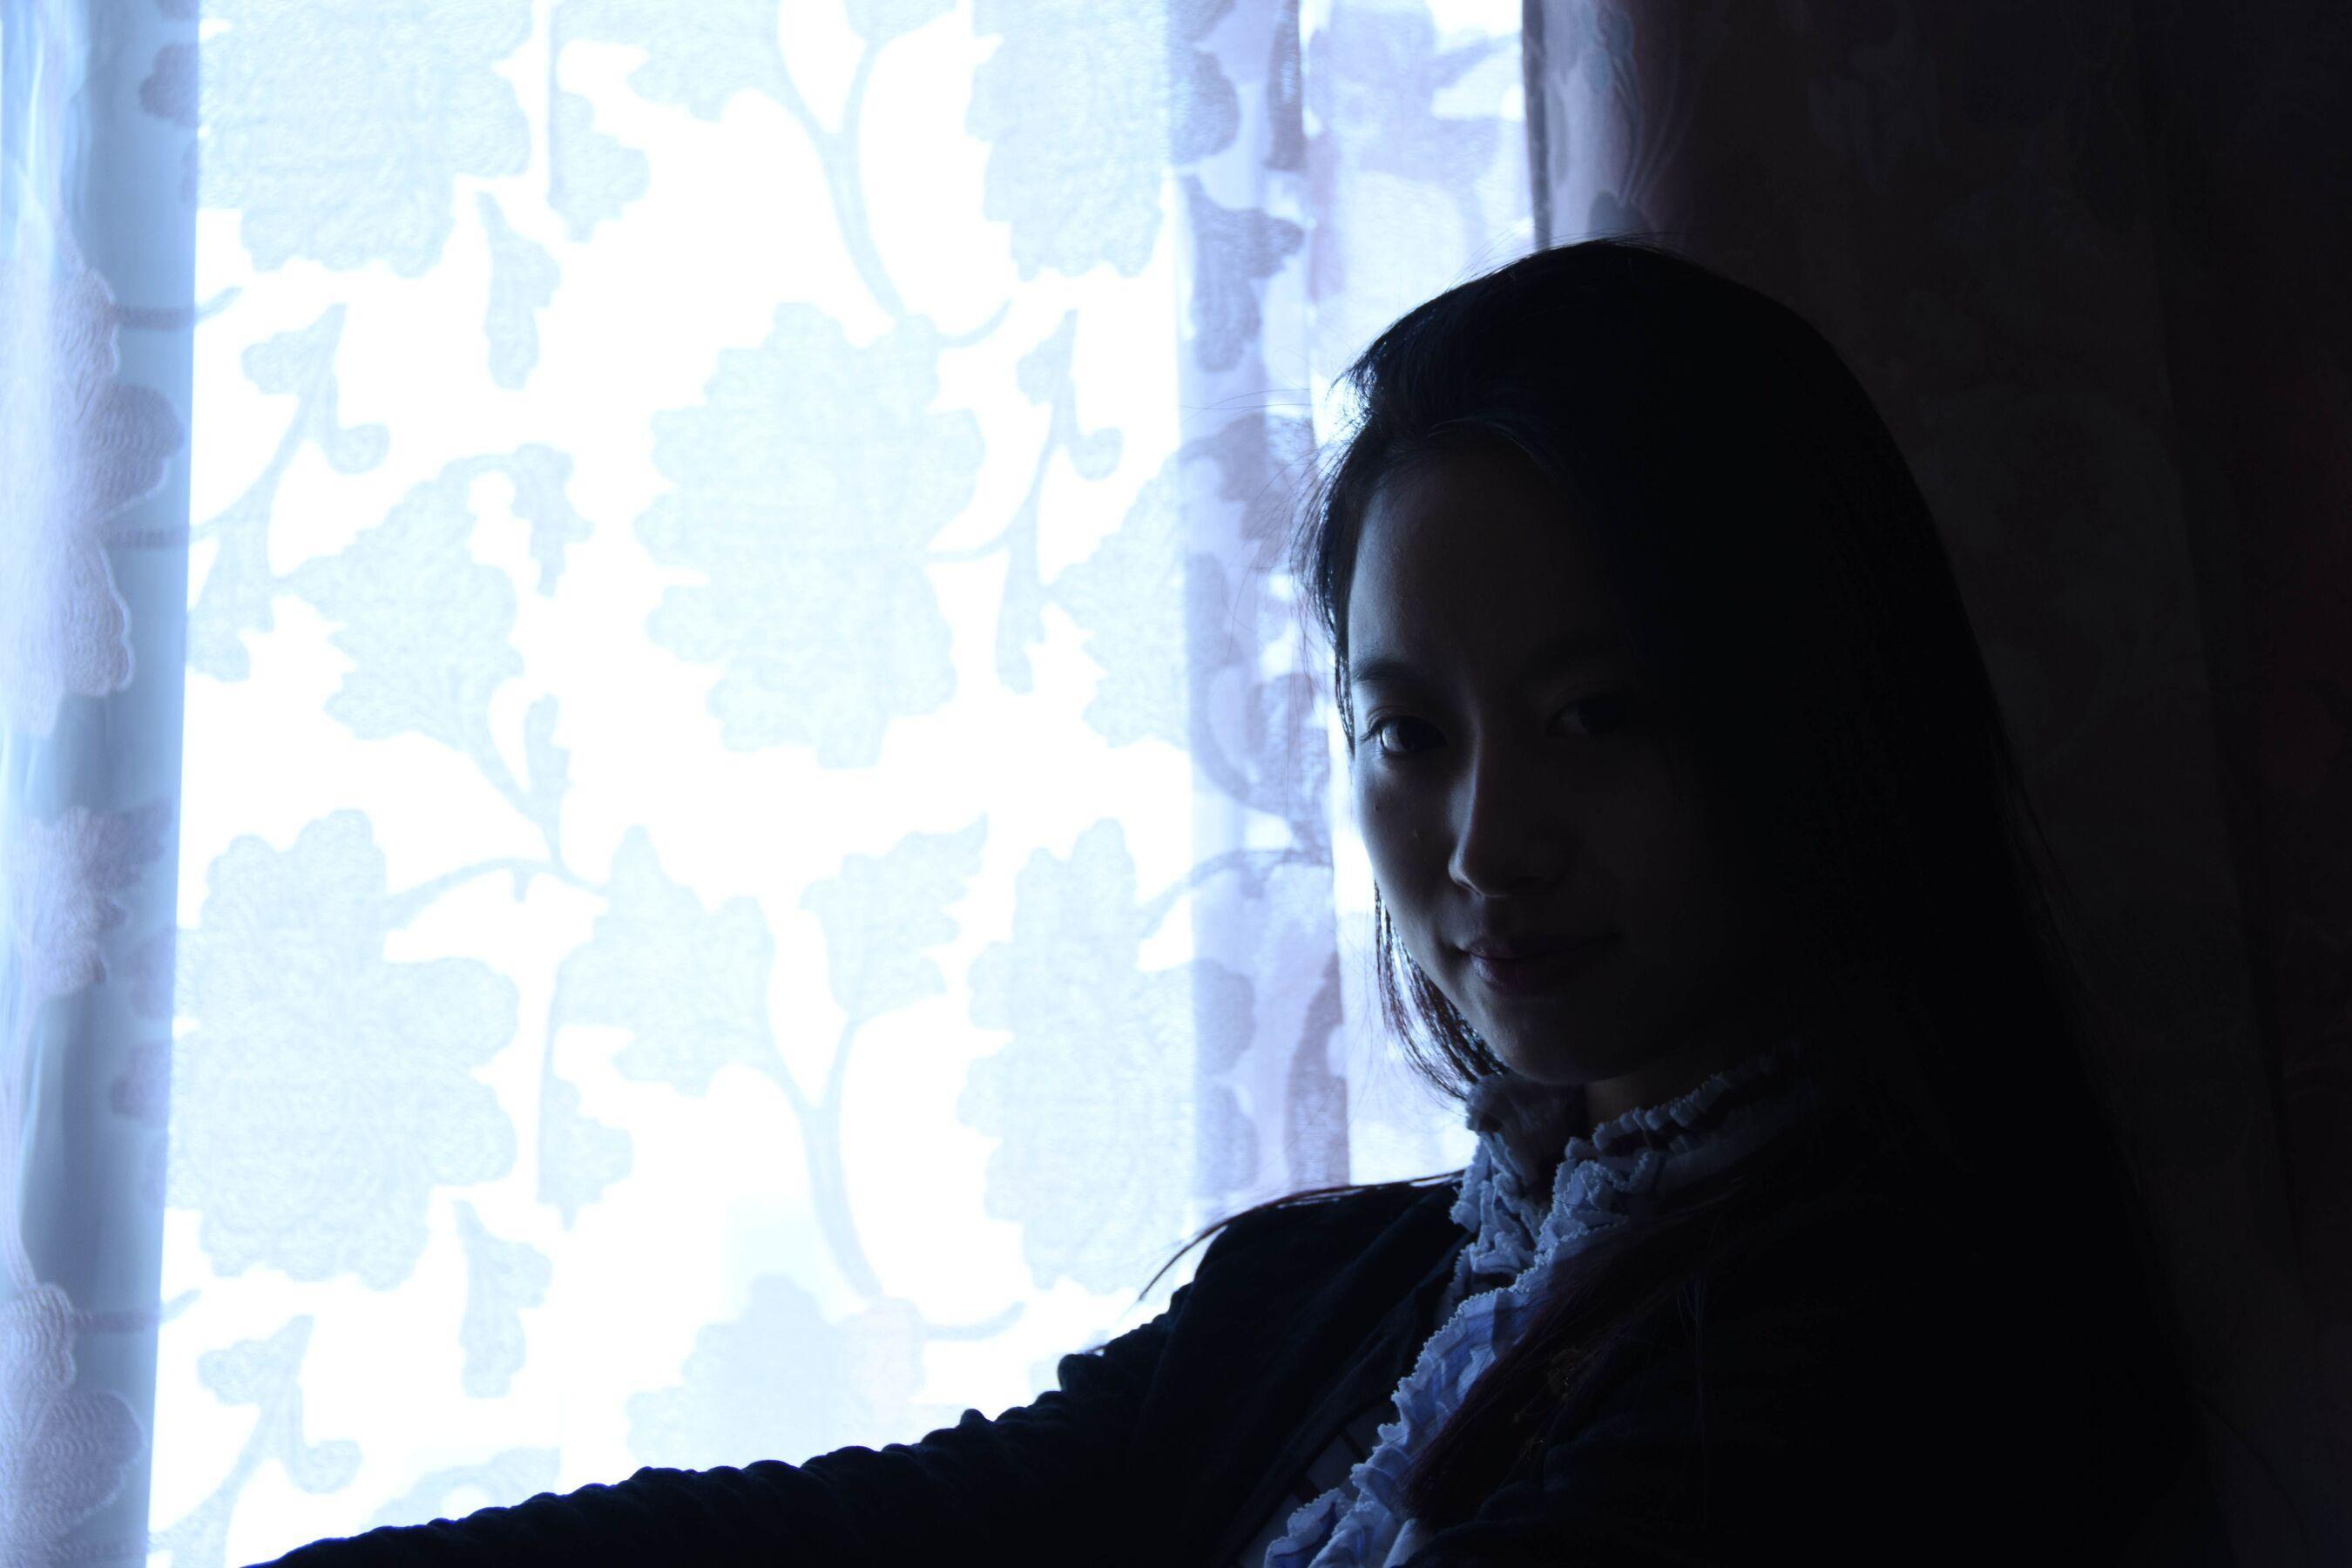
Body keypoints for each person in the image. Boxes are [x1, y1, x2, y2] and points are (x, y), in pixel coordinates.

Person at [256, 239, 2232, 1565]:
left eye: (1596, 714)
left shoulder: (1916, 1337)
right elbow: (912, 1527)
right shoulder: (1347, 1294)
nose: (1486, 844)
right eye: (1409, 733)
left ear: (1803, 705)